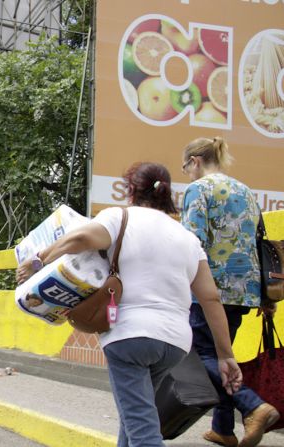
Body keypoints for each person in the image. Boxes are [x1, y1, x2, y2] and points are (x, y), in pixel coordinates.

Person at [17, 162, 242, 447]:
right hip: (175, 344)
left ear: (131, 189)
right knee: (135, 416)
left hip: (130, 336)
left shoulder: (119, 217)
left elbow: (82, 237)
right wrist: (225, 356)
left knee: (142, 428)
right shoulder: (188, 238)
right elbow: (210, 298)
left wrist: (39, 258)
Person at [181, 137, 280, 447]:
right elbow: (257, 242)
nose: (187, 173)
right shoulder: (246, 191)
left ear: (196, 161)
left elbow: (190, 242)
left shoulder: (199, 190)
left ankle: (253, 406)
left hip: (210, 289)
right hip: (244, 291)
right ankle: (223, 428)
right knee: (223, 354)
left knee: (202, 356)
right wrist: (265, 296)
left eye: (186, 167)